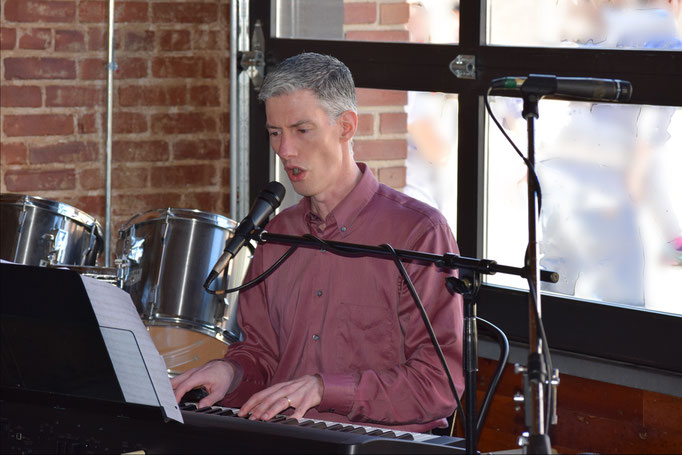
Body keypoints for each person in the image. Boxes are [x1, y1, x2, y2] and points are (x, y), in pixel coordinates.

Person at [171, 52, 464, 433]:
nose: (285, 150)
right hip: (284, 437)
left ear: (346, 127)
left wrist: (325, 389)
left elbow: (439, 382)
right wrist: (231, 370)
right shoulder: (277, 236)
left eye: (301, 130)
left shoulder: (418, 233)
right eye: (275, 133)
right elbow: (261, 354)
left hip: (381, 444)